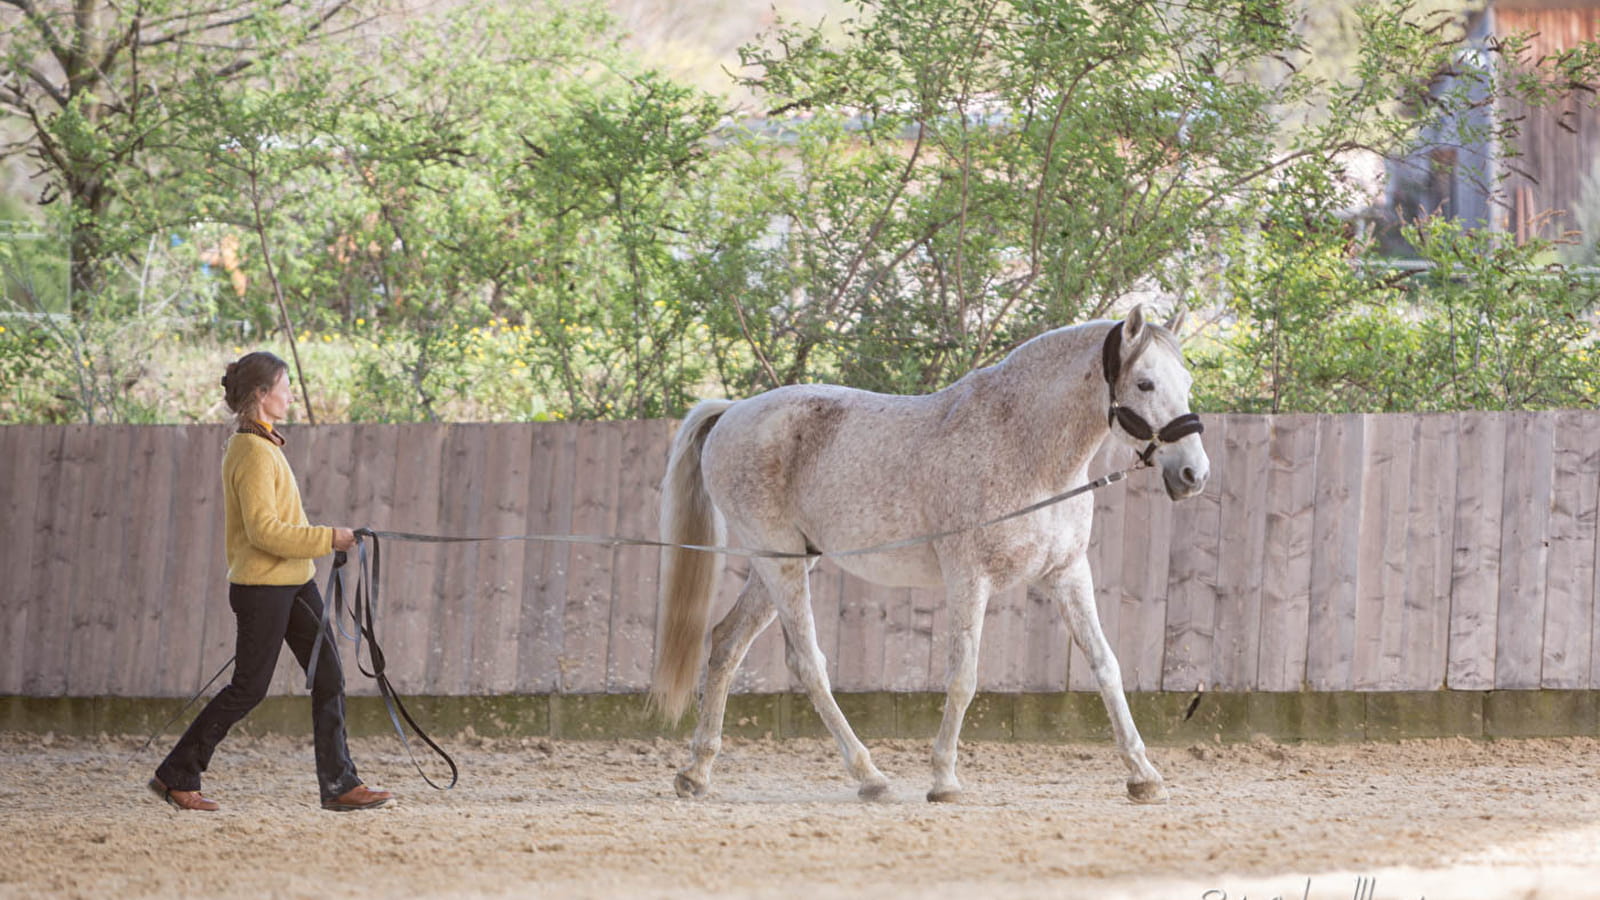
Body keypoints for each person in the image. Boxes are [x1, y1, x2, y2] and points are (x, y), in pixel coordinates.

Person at [148, 351, 395, 812]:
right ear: (262, 395)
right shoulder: (252, 452)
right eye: (284, 387)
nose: (290, 395)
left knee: (329, 676)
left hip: (294, 582)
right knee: (249, 688)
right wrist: (330, 538)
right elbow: (265, 532)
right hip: (264, 588)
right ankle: (175, 773)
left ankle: (340, 784)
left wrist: (329, 541)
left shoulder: (263, 446)